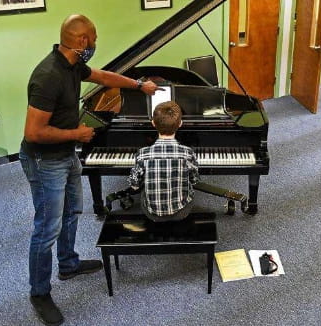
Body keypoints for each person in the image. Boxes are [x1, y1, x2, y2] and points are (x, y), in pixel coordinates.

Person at [19, 14, 160, 325]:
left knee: (72, 213)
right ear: (82, 42)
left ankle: (68, 264)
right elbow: (33, 132)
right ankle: (39, 293)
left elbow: (104, 76)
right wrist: (77, 135)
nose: (95, 44)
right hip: (44, 160)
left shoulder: (71, 65)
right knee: (46, 229)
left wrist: (139, 85)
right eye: (94, 39)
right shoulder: (48, 76)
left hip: (65, 155)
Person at [128, 101, 200, 222]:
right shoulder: (187, 152)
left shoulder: (143, 153)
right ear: (180, 124)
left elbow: (134, 185)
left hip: (151, 213)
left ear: (153, 123)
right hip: (182, 211)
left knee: (142, 191)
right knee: (189, 189)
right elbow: (195, 180)